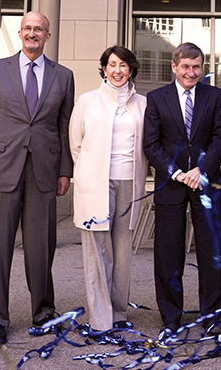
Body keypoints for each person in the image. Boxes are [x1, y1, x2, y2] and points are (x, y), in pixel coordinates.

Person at [0, 11, 75, 344]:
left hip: (44, 171)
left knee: (42, 247)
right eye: (28, 28)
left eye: (39, 29)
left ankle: (43, 311)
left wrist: (65, 170)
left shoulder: (63, 76)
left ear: (47, 36)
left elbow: (65, 124)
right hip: (1, 169)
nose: (33, 33)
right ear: (19, 33)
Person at [143, 42, 221, 334]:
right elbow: (151, 144)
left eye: (196, 67)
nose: (191, 73)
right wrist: (178, 173)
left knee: (210, 251)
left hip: (206, 183)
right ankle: (170, 317)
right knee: (168, 252)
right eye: (186, 67)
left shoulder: (214, 96)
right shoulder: (155, 99)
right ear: (174, 66)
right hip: (171, 184)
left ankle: (212, 317)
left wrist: (200, 170)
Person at [69, 46, 148, 333]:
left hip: (130, 183)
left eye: (123, 65)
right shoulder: (87, 101)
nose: (117, 70)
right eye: (112, 64)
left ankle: (118, 311)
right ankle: (100, 318)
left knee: (122, 252)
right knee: (97, 252)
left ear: (131, 70)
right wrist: (91, 174)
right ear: (103, 68)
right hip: (95, 185)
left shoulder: (143, 104)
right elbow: (75, 144)